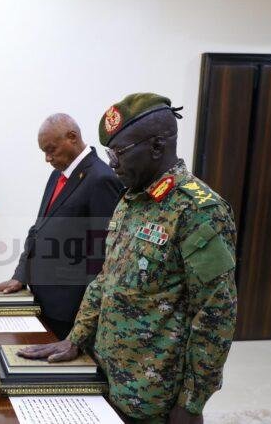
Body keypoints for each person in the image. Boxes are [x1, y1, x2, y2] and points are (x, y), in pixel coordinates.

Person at [19, 93, 237, 423]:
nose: (112, 163)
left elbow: (215, 314)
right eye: (110, 153)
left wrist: (191, 403)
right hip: (106, 376)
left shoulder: (198, 210)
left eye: (119, 153)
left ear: (157, 146)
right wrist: (75, 339)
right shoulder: (130, 200)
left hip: (152, 396)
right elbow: (105, 279)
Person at [0, 114, 122, 339]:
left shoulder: (101, 179)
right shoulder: (57, 175)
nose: (47, 158)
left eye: (51, 149)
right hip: (42, 300)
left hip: (70, 310)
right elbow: (37, 230)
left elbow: (103, 254)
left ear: (72, 137)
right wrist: (21, 275)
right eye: (44, 152)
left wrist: (87, 317)